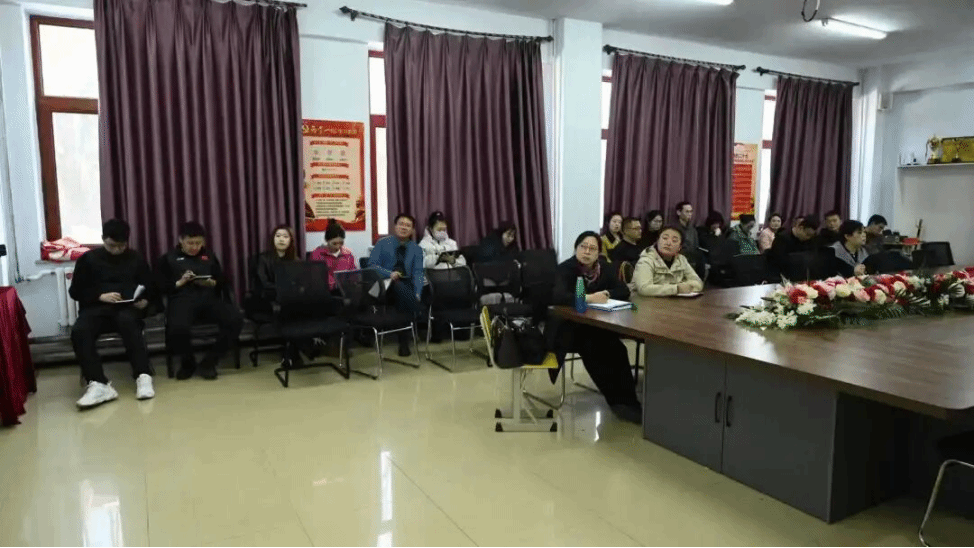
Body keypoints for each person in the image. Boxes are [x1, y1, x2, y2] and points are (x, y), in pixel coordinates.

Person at [548, 232, 641, 424]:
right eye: (583, 247)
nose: (587, 251)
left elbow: (623, 290)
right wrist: (589, 298)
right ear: (576, 248)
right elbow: (558, 296)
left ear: (598, 253)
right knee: (595, 351)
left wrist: (606, 293)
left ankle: (630, 401)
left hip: (597, 326)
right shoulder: (565, 269)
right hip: (570, 329)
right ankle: (616, 402)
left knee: (618, 349)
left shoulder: (604, 268)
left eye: (592, 248)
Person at [70, 219, 156, 408]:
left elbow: (149, 287)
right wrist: (99, 296)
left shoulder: (135, 259)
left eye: (121, 246)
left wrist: (145, 301)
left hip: (126, 309)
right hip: (96, 309)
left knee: (130, 323)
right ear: (103, 239)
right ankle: (98, 383)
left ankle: (143, 375)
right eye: (112, 245)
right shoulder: (88, 259)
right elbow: (75, 291)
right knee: (79, 331)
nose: (116, 250)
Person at [156, 221, 243, 380]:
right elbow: (160, 286)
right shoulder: (168, 258)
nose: (194, 247)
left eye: (198, 243)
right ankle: (188, 363)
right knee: (177, 327)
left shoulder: (209, 256)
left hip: (209, 299)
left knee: (236, 319)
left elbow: (222, 280)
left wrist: (212, 283)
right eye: (190, 243)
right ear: (181, 240)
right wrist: (179, 282)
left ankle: (209, 362)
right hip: (181, 300)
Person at [368, 214, 425, 357]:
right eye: (401, 224)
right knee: (399, 288)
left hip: (406, 287)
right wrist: (389, 273)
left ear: (412, 230)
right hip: (384, 286)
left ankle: (404, 342)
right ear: (395, 226)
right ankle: (417, 312)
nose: (404, 227)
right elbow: (371, 266)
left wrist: (418, 292)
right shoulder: (382, 243)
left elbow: (418, 273)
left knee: (403, 294)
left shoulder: (416, 249)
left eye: (408, 225)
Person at [632, 226, 705, 297]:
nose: (668, 243)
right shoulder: (646, 259)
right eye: (665, 238)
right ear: (657, 241)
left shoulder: (681, 260)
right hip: (644, 302)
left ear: (679, 247)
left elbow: (698, 283)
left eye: (674, 240)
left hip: (672, 301)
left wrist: (687, 286)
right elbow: (644, 288)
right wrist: (676, 288)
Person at [254, 225, 300, 303]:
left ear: (291, 240)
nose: (281, 239)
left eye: (285, 237)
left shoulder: (296, 261)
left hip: (291, 299)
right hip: (269, 299)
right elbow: (263, 283)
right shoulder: (263, 259)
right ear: (273, 239)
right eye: (278, 236)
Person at [310, 219, 357, 293]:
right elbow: (318, 279)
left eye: (341, 243)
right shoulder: (317, 254)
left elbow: (353, 275)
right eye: (334, 243)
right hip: (324, 293)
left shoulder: (348, 255)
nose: (338, 246)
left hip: (344, 292)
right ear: (327, 240)